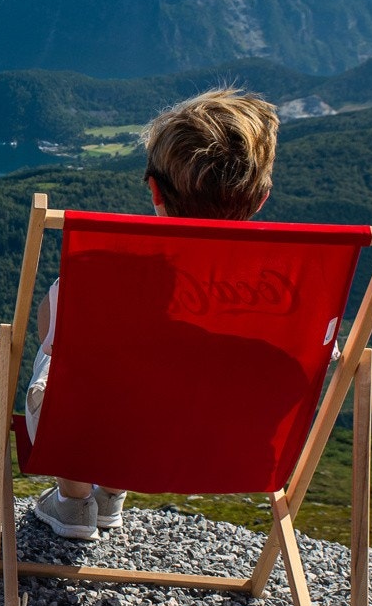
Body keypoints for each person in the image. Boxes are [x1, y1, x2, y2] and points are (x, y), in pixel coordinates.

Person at [27, 88, 279, 540]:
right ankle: (112, 495)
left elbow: (52, 334)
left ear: (154, 189)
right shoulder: (289, 290)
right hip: (223, 451)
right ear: (261, 198)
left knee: (60, 340)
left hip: (100, 433)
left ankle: (74, 500)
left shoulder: (101, 278)